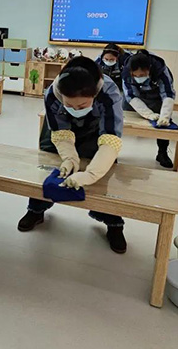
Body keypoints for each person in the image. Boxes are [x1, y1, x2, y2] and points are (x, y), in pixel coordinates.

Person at [17, 57, 127, 254]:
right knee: (47, 166)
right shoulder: (53, 93)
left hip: (97, 132)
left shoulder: (109, 92)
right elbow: (60, 131)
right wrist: (69, 158)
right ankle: (36, 210)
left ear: (94, 94)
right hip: (62, 132)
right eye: (69, 105)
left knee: (105, 173)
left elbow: (110, 139)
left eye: (82, 105)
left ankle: (113, 223)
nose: (76, 110)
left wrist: (90, 174)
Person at [122, 49, 176, 169]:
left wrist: (165, 116)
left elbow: (168, 94)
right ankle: (114, 152)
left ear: (149, 69)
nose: (138, 78)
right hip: (136, 98)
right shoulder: (126, 72)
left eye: (141, 75)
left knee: (164, 125)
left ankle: (162, 153)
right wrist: (147, 114)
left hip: (156, 97)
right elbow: (130, 96)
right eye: (135, 75)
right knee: (120, 121)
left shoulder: (161, 70)